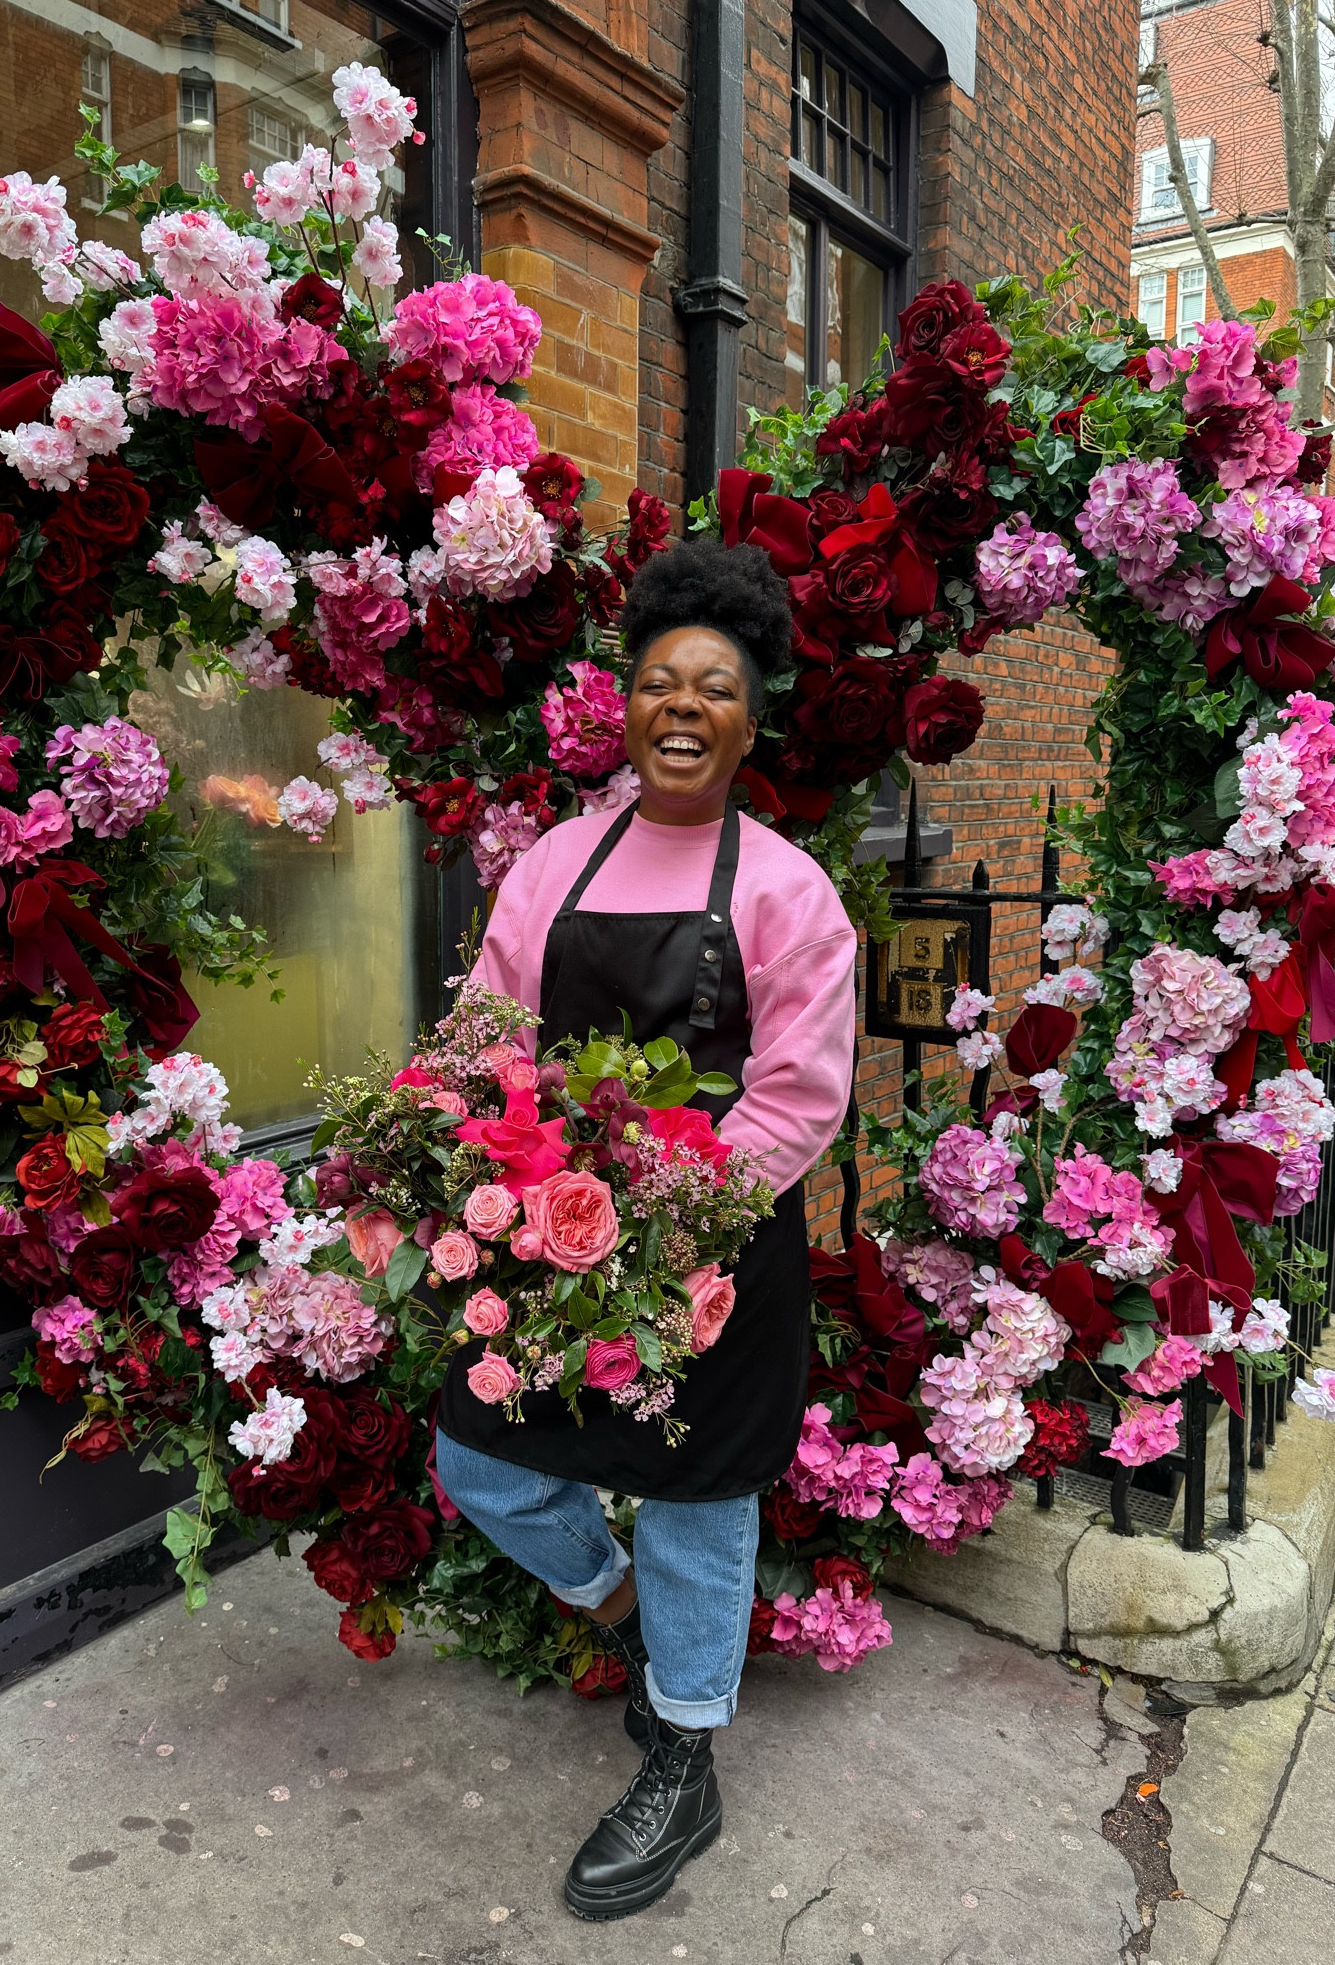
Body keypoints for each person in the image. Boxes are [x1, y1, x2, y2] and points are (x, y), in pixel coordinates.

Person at [433, 536, 857, 1922]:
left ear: (749, 718)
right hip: (544, 1231)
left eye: (715, 689)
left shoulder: (789, 891)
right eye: (661, 682)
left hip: (716, 1252)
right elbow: (489, 1029)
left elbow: (797, 1094)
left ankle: (684, 1750)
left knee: (695, 1500)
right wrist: (478, 1148)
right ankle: (625, 1626)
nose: (684, 707)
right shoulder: (556, 862)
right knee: (478, 1461)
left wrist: (667, 1226)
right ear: (627, 706)